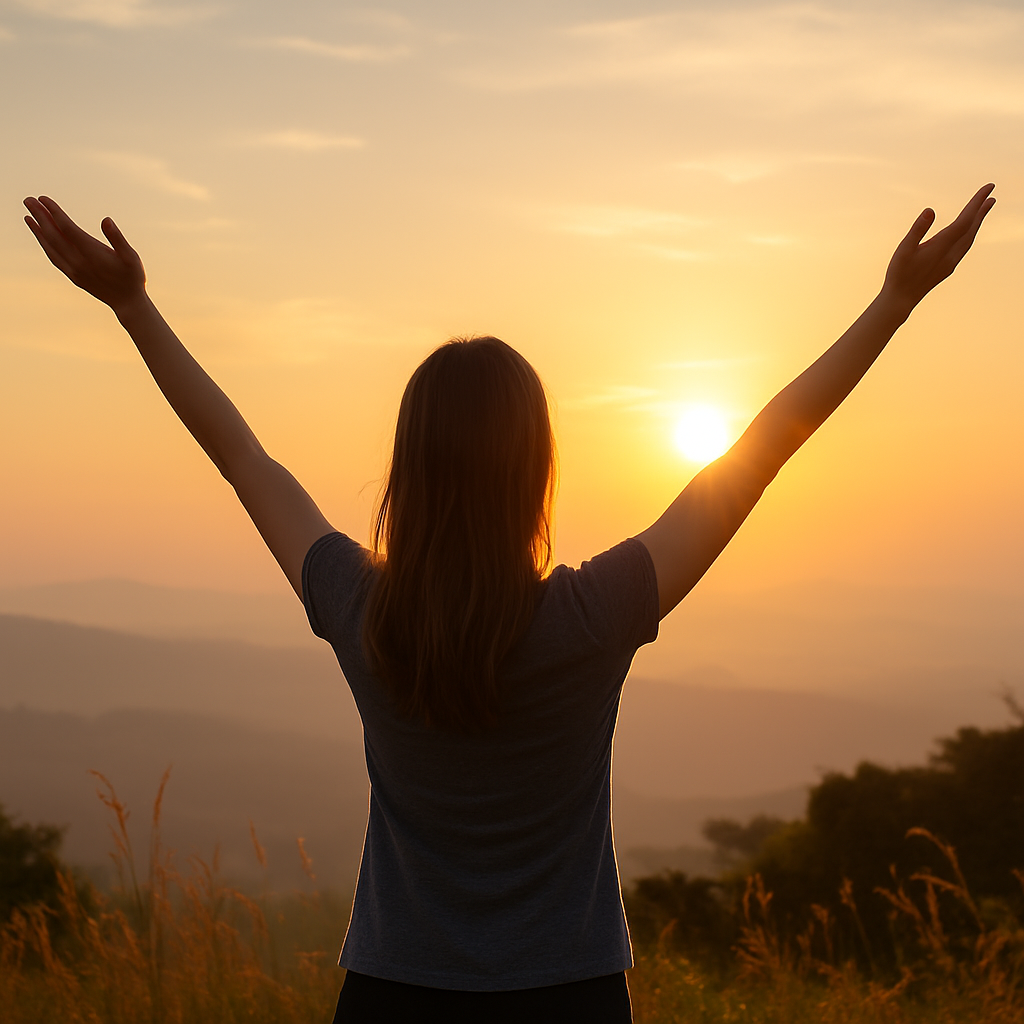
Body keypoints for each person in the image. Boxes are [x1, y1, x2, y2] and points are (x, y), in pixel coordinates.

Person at [23, 184, 995, 1022]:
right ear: (535, 472)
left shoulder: (363, 608)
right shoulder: (591, 616)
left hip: (393, 990)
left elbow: (244, 459)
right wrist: (892, 304)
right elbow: (763, 449)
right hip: (569, 993)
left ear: (409, 471)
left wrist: (134, 307)